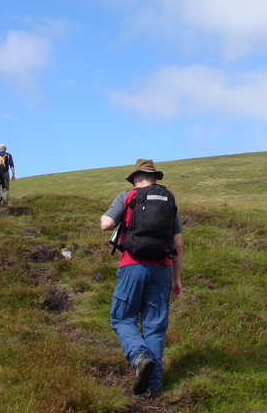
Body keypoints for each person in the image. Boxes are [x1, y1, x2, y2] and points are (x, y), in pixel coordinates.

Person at [100, 159, 183, 398]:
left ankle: (138, 357)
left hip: (132, 266)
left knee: (122, 319)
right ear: (155, 178)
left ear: (135, 178)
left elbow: (106, 224)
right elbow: (177, 244)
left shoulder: (127, 196)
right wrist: (176, 279)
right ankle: (153, 389)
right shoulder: (169, 200)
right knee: (155, 328)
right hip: (162, 269)